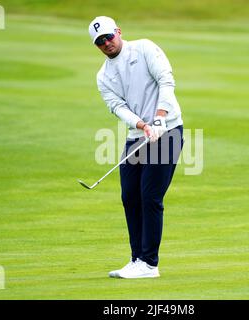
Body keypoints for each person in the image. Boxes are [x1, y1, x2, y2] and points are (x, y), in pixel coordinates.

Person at [88, 16, 184, 279]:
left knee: (150, 196)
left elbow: (166, 80)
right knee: (129, 196)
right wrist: (142, 125)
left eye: (108, 36)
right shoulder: (103, 76)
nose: (106, 43)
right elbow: (117, 107)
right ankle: (136, 259)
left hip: (168, 131)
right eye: (99, 42)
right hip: (137, 135)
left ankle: (150, 264)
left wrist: (160, 117)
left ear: (118, 32)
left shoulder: (143, 48)